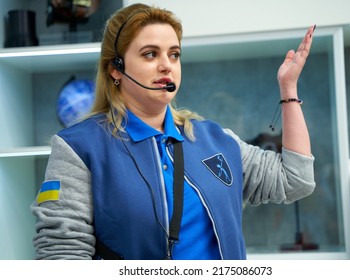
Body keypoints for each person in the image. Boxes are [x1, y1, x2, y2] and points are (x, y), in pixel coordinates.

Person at [31, 3, 316, 260]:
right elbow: (62, 253)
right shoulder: (79, 148)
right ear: (116, 69)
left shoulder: (216, 140)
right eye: (150, 54)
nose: (166, 65)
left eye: (174, 54)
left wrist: (288, 90)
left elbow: (295, 179)